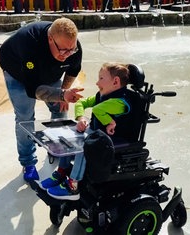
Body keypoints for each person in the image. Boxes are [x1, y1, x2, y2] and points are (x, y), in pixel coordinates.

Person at [0, 17, 84, 183]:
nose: (67, 55)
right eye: (63, 50)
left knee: (61, 108)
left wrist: (63, 92)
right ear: (50, 39)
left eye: (71, 50)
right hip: (19, 73)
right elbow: (32, 89)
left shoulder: (72, 47)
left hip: (49, 71)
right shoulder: (29, 44)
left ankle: (57, 146)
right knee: (25, 117)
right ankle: (28, 162)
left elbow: (73, 69)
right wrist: (60, 94)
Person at [38, 62, 132, 200]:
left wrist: (108, 122)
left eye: (101, 79)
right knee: (67, 139)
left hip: (109, 140)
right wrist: (81, 118)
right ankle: (62, 172)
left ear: (116, 82)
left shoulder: (120, 102)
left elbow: (98, 109)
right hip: (95, 133)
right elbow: (82, 103)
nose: (96, 82)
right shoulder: (102, 95)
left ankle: (73, 186)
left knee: (83, 148)